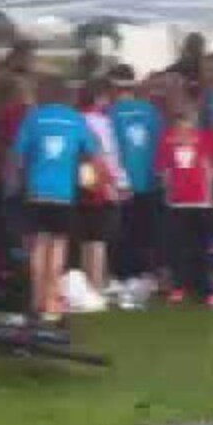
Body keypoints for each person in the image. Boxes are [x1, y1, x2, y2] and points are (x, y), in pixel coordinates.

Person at [10, 76, 97, 321]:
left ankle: (35, 301)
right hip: (63, 193)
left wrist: (17, 183)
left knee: (38, 246)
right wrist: (89, 179)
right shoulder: (75, 120)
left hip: (36, 190)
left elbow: (17, 156)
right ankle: (51, 303)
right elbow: (91, 153)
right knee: (58, 247)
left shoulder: (33, 118)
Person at [157, 106, 213, 305]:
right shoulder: (167, 143)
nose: (183, 132)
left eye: (187, 127)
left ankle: (210, 289)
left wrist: (210, 197)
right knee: (179, 247)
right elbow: (164, 173)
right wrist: (169, 196)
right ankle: (179, 287)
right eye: (180, 128)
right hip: (178, 203)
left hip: (201, 202)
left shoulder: (204, 140)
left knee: (203, 246)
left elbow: (210, 170)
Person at [107, 67, 164, 289]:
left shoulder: (111, 113)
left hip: (122, 181)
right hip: (147, 179)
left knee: (122, 230)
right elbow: (159, 143)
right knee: (144, 230)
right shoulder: (151, 111)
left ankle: (122, 273)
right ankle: (142, 273)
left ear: (114, 88)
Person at [75, 79, 129, 304]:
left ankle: (87, 287)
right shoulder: (101, 122)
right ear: (99, 98)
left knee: (86, 237)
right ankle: (96, 289)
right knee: (98, 238)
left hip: (79, 182)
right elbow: (109, 155)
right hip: (100, 182)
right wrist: (120, 182)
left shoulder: (76, 118)